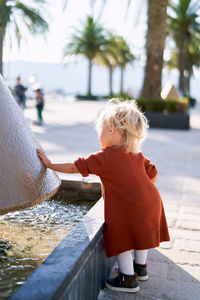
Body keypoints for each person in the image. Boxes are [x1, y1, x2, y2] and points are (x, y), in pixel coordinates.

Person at [37, 99, 170, 294]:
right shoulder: (137, 155)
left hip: (131, 208)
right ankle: (141, 268)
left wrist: (49, 164)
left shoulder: (103, 157)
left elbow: (75, 167)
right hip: (152, 202)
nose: (99, 132)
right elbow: (154, 176)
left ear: (112, 131)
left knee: (122, 237)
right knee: (141, 234)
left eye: (100, 128)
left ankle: (128, 279)